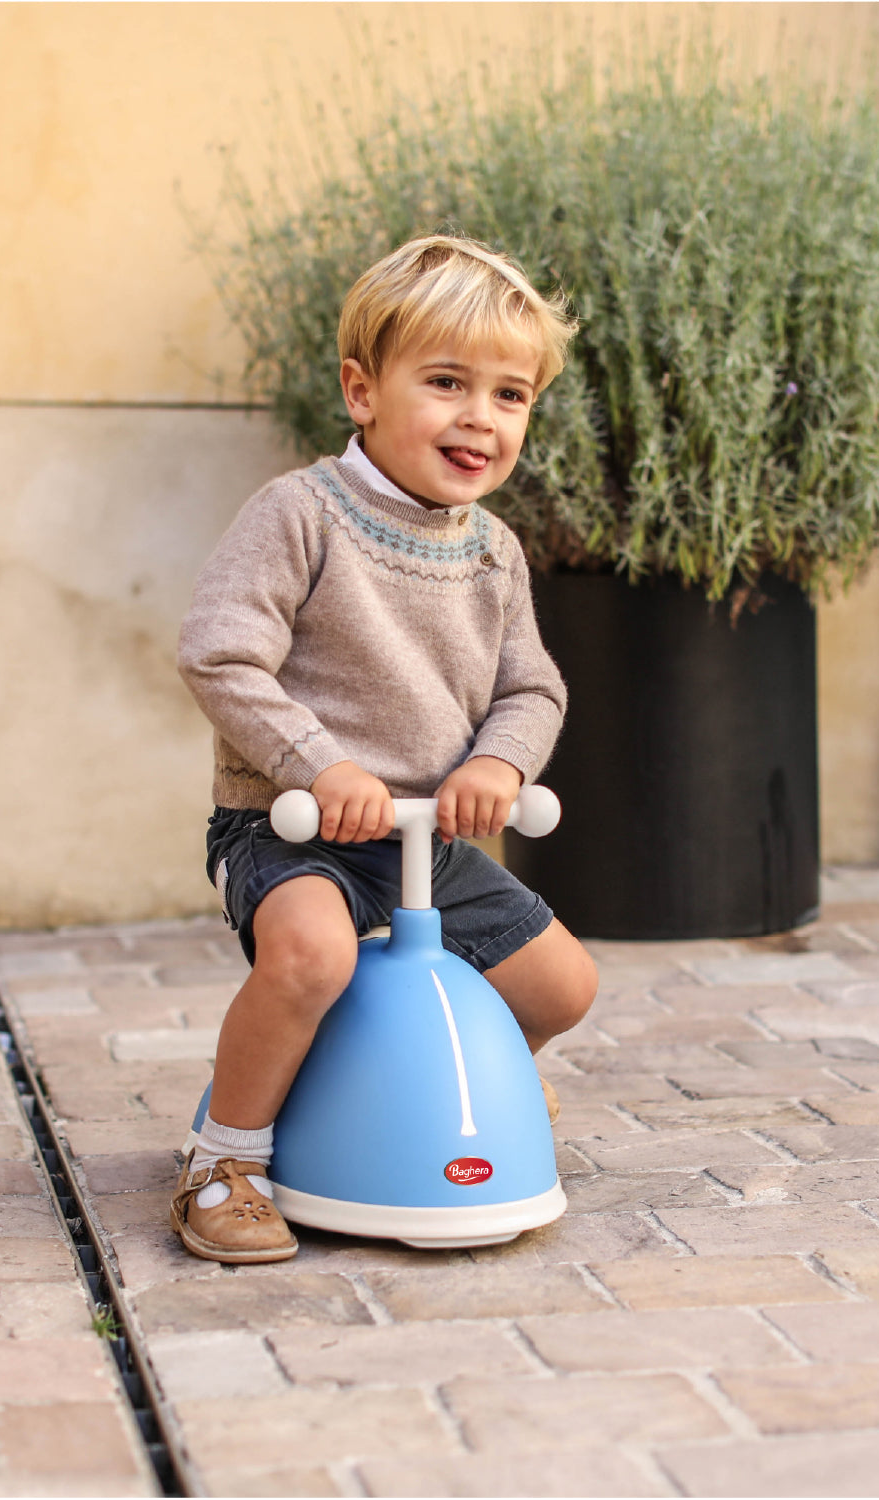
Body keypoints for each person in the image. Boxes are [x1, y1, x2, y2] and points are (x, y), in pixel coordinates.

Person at [173, 234, 599, 1262]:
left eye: (510, 395)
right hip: (295, 828)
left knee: (561, 986)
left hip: (425, 841)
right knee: (312, 955)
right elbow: (218, 656)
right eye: (447, 383)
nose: (479, 418)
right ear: (363, 392)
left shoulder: (493, 550)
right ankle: (224, 1158)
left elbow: (531, 686)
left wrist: (499, 764)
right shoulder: (302, 515)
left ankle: (447, 1074)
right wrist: (323, 766)